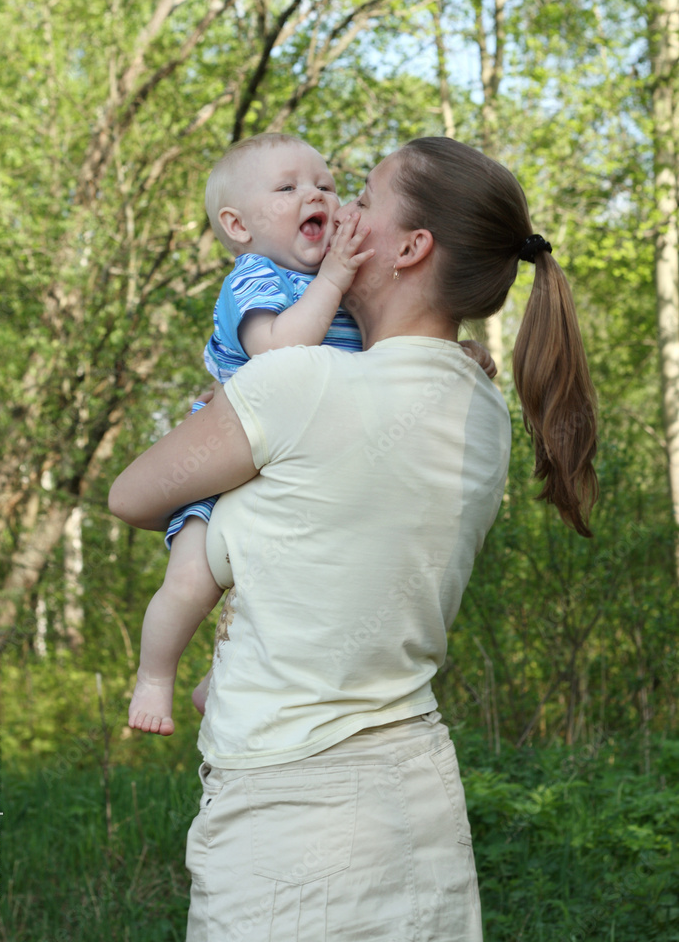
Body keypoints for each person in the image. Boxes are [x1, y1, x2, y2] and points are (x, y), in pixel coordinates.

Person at [109, 136, 597, 941]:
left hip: (291, 819)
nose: (339, 211)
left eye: (361, 198)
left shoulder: (299, 384)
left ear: (410, 248)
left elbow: (132, 495)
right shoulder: (483, 409)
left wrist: (225, 411)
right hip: (419, 805)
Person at [128, 133, 495, 736]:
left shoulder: (343, 288)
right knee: (192, 578)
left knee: (304, 577)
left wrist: (452, 353)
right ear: (238, 226)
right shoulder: (255, 278)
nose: (317, 196)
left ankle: (221, 679)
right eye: (288, 187)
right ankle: (153, 677)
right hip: (227, 459)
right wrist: (334, 279)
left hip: (289, 456)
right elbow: (278, 354)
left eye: (327, 185)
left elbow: (384, 361)